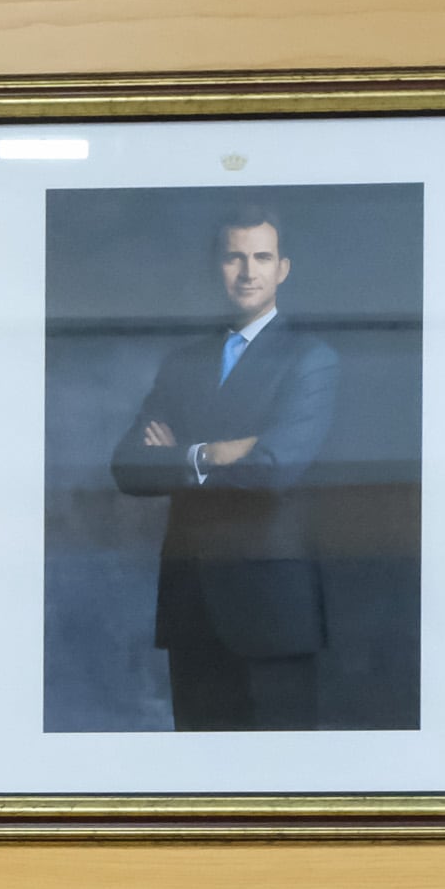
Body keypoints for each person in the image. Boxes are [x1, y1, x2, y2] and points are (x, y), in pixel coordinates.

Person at [107, 205, 343, 733]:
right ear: (217, 266)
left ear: (283, 268)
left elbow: (273, 470)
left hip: (274, 615)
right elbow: (128, 467)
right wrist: (209, 453)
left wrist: (177, 455)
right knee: (198, 792)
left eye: (261, 257)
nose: (247, 271)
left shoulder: (311, 359)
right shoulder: (184, 362)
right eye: (234, 256)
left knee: (279, 789)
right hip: (191, 609)